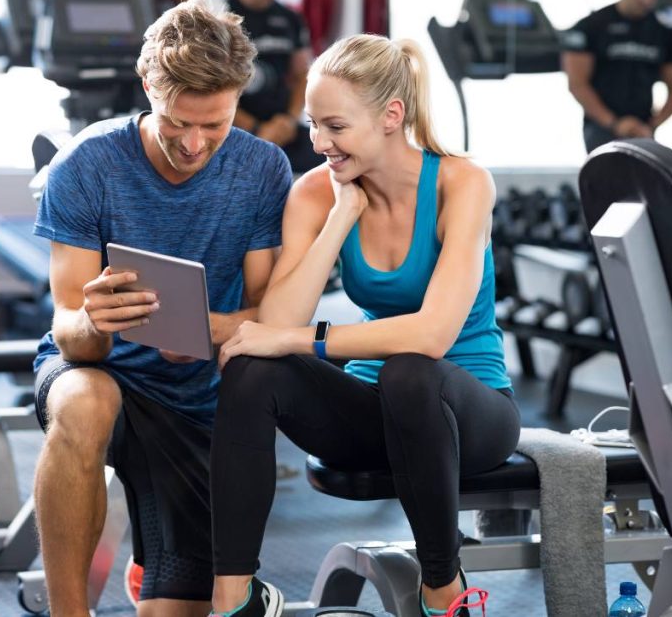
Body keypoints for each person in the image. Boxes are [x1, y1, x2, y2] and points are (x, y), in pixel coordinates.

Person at [207, 34, 521, 617]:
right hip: (371, 410)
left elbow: (430, 337)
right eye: (312, 125)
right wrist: (339, 219)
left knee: (409, 371)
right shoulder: (314, 192)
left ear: (390, 117)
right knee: (252, 368)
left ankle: (443, 591)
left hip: (467, 411)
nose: (319, 142)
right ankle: (235, 600)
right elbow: (276, 324)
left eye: (335, 127)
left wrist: (302, 341)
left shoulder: (462, 183)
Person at [31, 0, 292, 616]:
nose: (196, 143)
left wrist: (209, 331)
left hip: (199, 396)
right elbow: (68, 327)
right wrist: (94, 322)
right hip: (99, 372)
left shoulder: (262, 170)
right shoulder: (87, 165)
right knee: (87, 400)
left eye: (216, 123)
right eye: (179, 121)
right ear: (149, 84)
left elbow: (269, 311)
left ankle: (157, 565)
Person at [562, 0, 672, 153]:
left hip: (643, 129)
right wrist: (614, 123)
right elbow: (577, 84)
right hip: (601, 126)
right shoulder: (592, 26)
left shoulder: (665, 33)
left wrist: (653, 124)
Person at [226, 0, 319, 174]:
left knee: (325, 161)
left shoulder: (291, 19)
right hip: (237, 126)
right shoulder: (223, 16)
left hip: (282, 125)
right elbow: (213, 86)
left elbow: (302, 75)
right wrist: (257, 128)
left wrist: (288, 120)